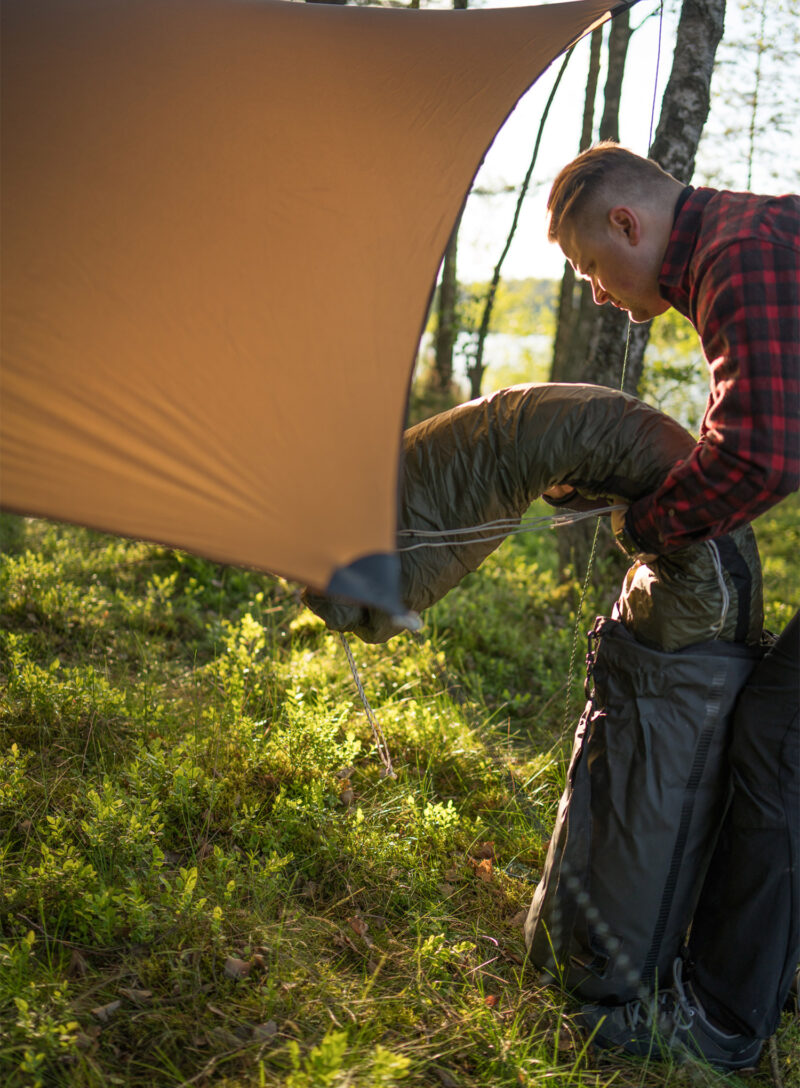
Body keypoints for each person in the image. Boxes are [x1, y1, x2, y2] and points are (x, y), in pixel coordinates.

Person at [543, 142, 800, 1070]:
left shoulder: (737, 255)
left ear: (628, 223)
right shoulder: (750, 238)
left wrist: (650, 523)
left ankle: (726, 1024)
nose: (600, 292)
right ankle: (771, 960)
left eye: (590, 269)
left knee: (779, 735)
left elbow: (761, 453)